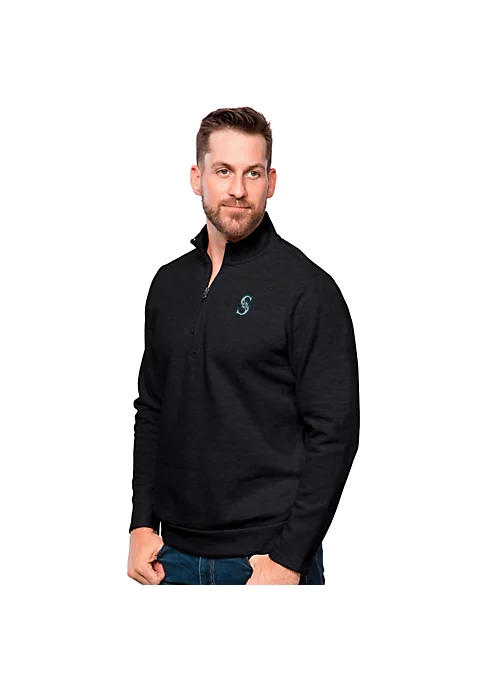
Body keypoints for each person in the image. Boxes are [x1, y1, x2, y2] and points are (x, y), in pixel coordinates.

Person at [127, 106, 360, 585]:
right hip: (170, 557)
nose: (237, 188)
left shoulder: (307, 290)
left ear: (270, 182)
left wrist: (289, 558)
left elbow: (335, 434)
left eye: (252, 173)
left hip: (264, 560)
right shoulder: (168, 285)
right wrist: (141, 523)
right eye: (223, 171)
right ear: (197, 178)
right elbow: (152, 408)